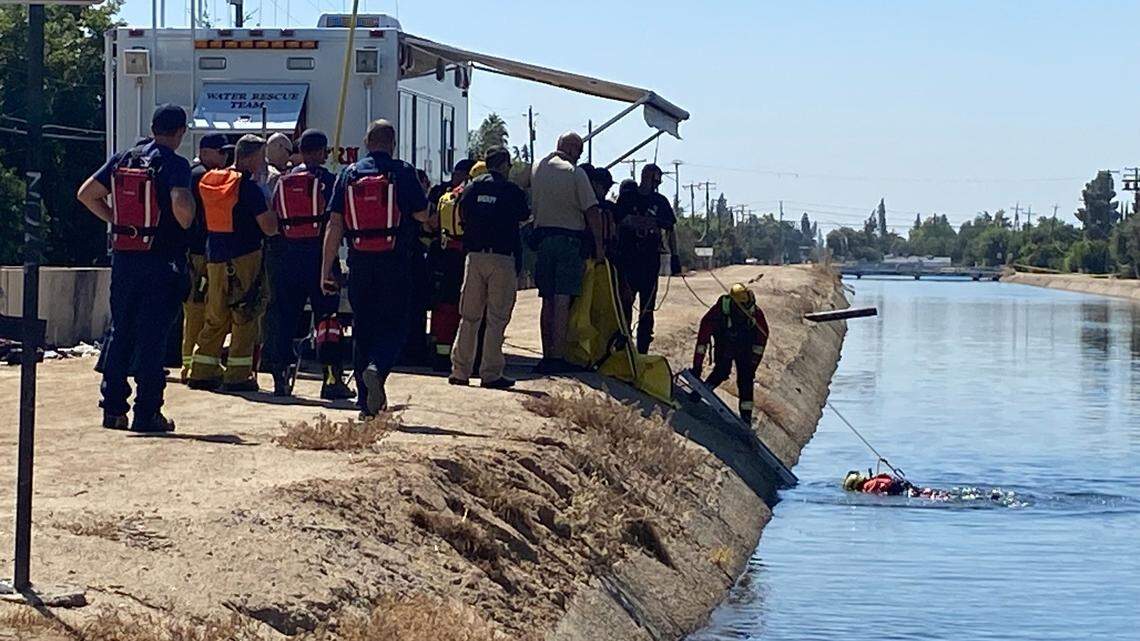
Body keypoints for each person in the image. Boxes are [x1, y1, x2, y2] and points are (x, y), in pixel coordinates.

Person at [76, 104, 195, 432]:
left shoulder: (122, 159)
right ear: (180, 131)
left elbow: (86, 194)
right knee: (153, 337)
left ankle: (113, 409)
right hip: (161, 261)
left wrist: (118, 222)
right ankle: (147, 412)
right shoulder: (175, 163)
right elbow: (183, 211)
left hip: (126, 258)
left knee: (121, 331)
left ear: (153, 126)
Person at [322, 119, 429, 419]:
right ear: (392, 144)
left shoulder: (349, 173)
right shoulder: (402, 172)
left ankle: (365, 402)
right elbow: (421, 213)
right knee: (395, 324)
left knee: (363, 328)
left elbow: (334, 225)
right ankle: (377, 368)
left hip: (359, 262)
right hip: (395, 261)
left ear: (367, 142)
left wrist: (326, 268)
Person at [265, 129, 352, 399]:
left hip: (288, 257)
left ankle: (280, 377)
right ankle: (331, 379)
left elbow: (273, 217)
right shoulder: (329, 180)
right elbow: (338, 221)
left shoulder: (283, 181)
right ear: (321, 152)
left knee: (286, 318)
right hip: (320, 256)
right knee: (327, 319)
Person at [188, 134, 278, 391]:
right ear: (250, 158)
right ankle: (238, 376)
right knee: (245, 314)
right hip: (245, 257)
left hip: (214, 257)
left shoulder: (211, 180)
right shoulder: (248, 187)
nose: (263, 164)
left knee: (215, 316)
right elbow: (269, 227)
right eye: (261, 158)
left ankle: (202, 370)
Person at [448, 147, 530, 389]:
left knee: (469, 316)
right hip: (502, 258)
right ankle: (491, 373)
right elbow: (524, 216)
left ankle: (460, 371)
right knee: (496, 318)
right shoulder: (511, 191)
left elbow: (461, 213)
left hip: (474, 257)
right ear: (504, 164)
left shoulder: (472, 187)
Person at [530, 132, 604, 373]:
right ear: (572, 150)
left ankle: (545, 354)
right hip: (569, 242)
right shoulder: (575, 173)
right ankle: (558, 357)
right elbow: (592, 211)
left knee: (547, 299)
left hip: (543, 241)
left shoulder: (537, 168)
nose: (579, 156)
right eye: (579, 151)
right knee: (562, 300)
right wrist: (599, 248)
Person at [181, 134, 232, 382]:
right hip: (200, 253)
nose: (225, 158)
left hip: (193, 252)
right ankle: (193, 365)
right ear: (205, 151)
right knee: (201, 309)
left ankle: (189, 363)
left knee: (195, 310)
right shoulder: (203, 176)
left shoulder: (190, 173)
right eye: (221, 152)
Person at [614, 163, 681, 354]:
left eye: (658, 180)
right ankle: (623, 345)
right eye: (654, 178)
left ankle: (642, 348)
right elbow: (617, 223)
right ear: (645, 176)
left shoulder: (660, 202)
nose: (656, 183)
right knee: (625, 303)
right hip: (628, 259)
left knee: (647, 308)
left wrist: (674, 255)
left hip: (650, 261)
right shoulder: (628, 197)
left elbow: (670, 229)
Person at [692, 283, 769, 424]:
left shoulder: (755, 314)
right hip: (724, 342)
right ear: (734, 304)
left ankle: (746, 417)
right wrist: (697, 367)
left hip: (745, 346)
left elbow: (761, 342)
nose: (744, 311)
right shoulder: (717, 313)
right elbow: (702, 341)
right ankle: (700, 392)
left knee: (746, 380)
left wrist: (753, 365)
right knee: (721, 370)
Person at [426, 158, 474, 370]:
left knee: (443, 305)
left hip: (442, 255)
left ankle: (439, 352)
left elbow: (430, 224)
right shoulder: (470, 194)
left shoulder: (440, 194)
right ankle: (463, 354)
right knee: (465, 307)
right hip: (463, 255)